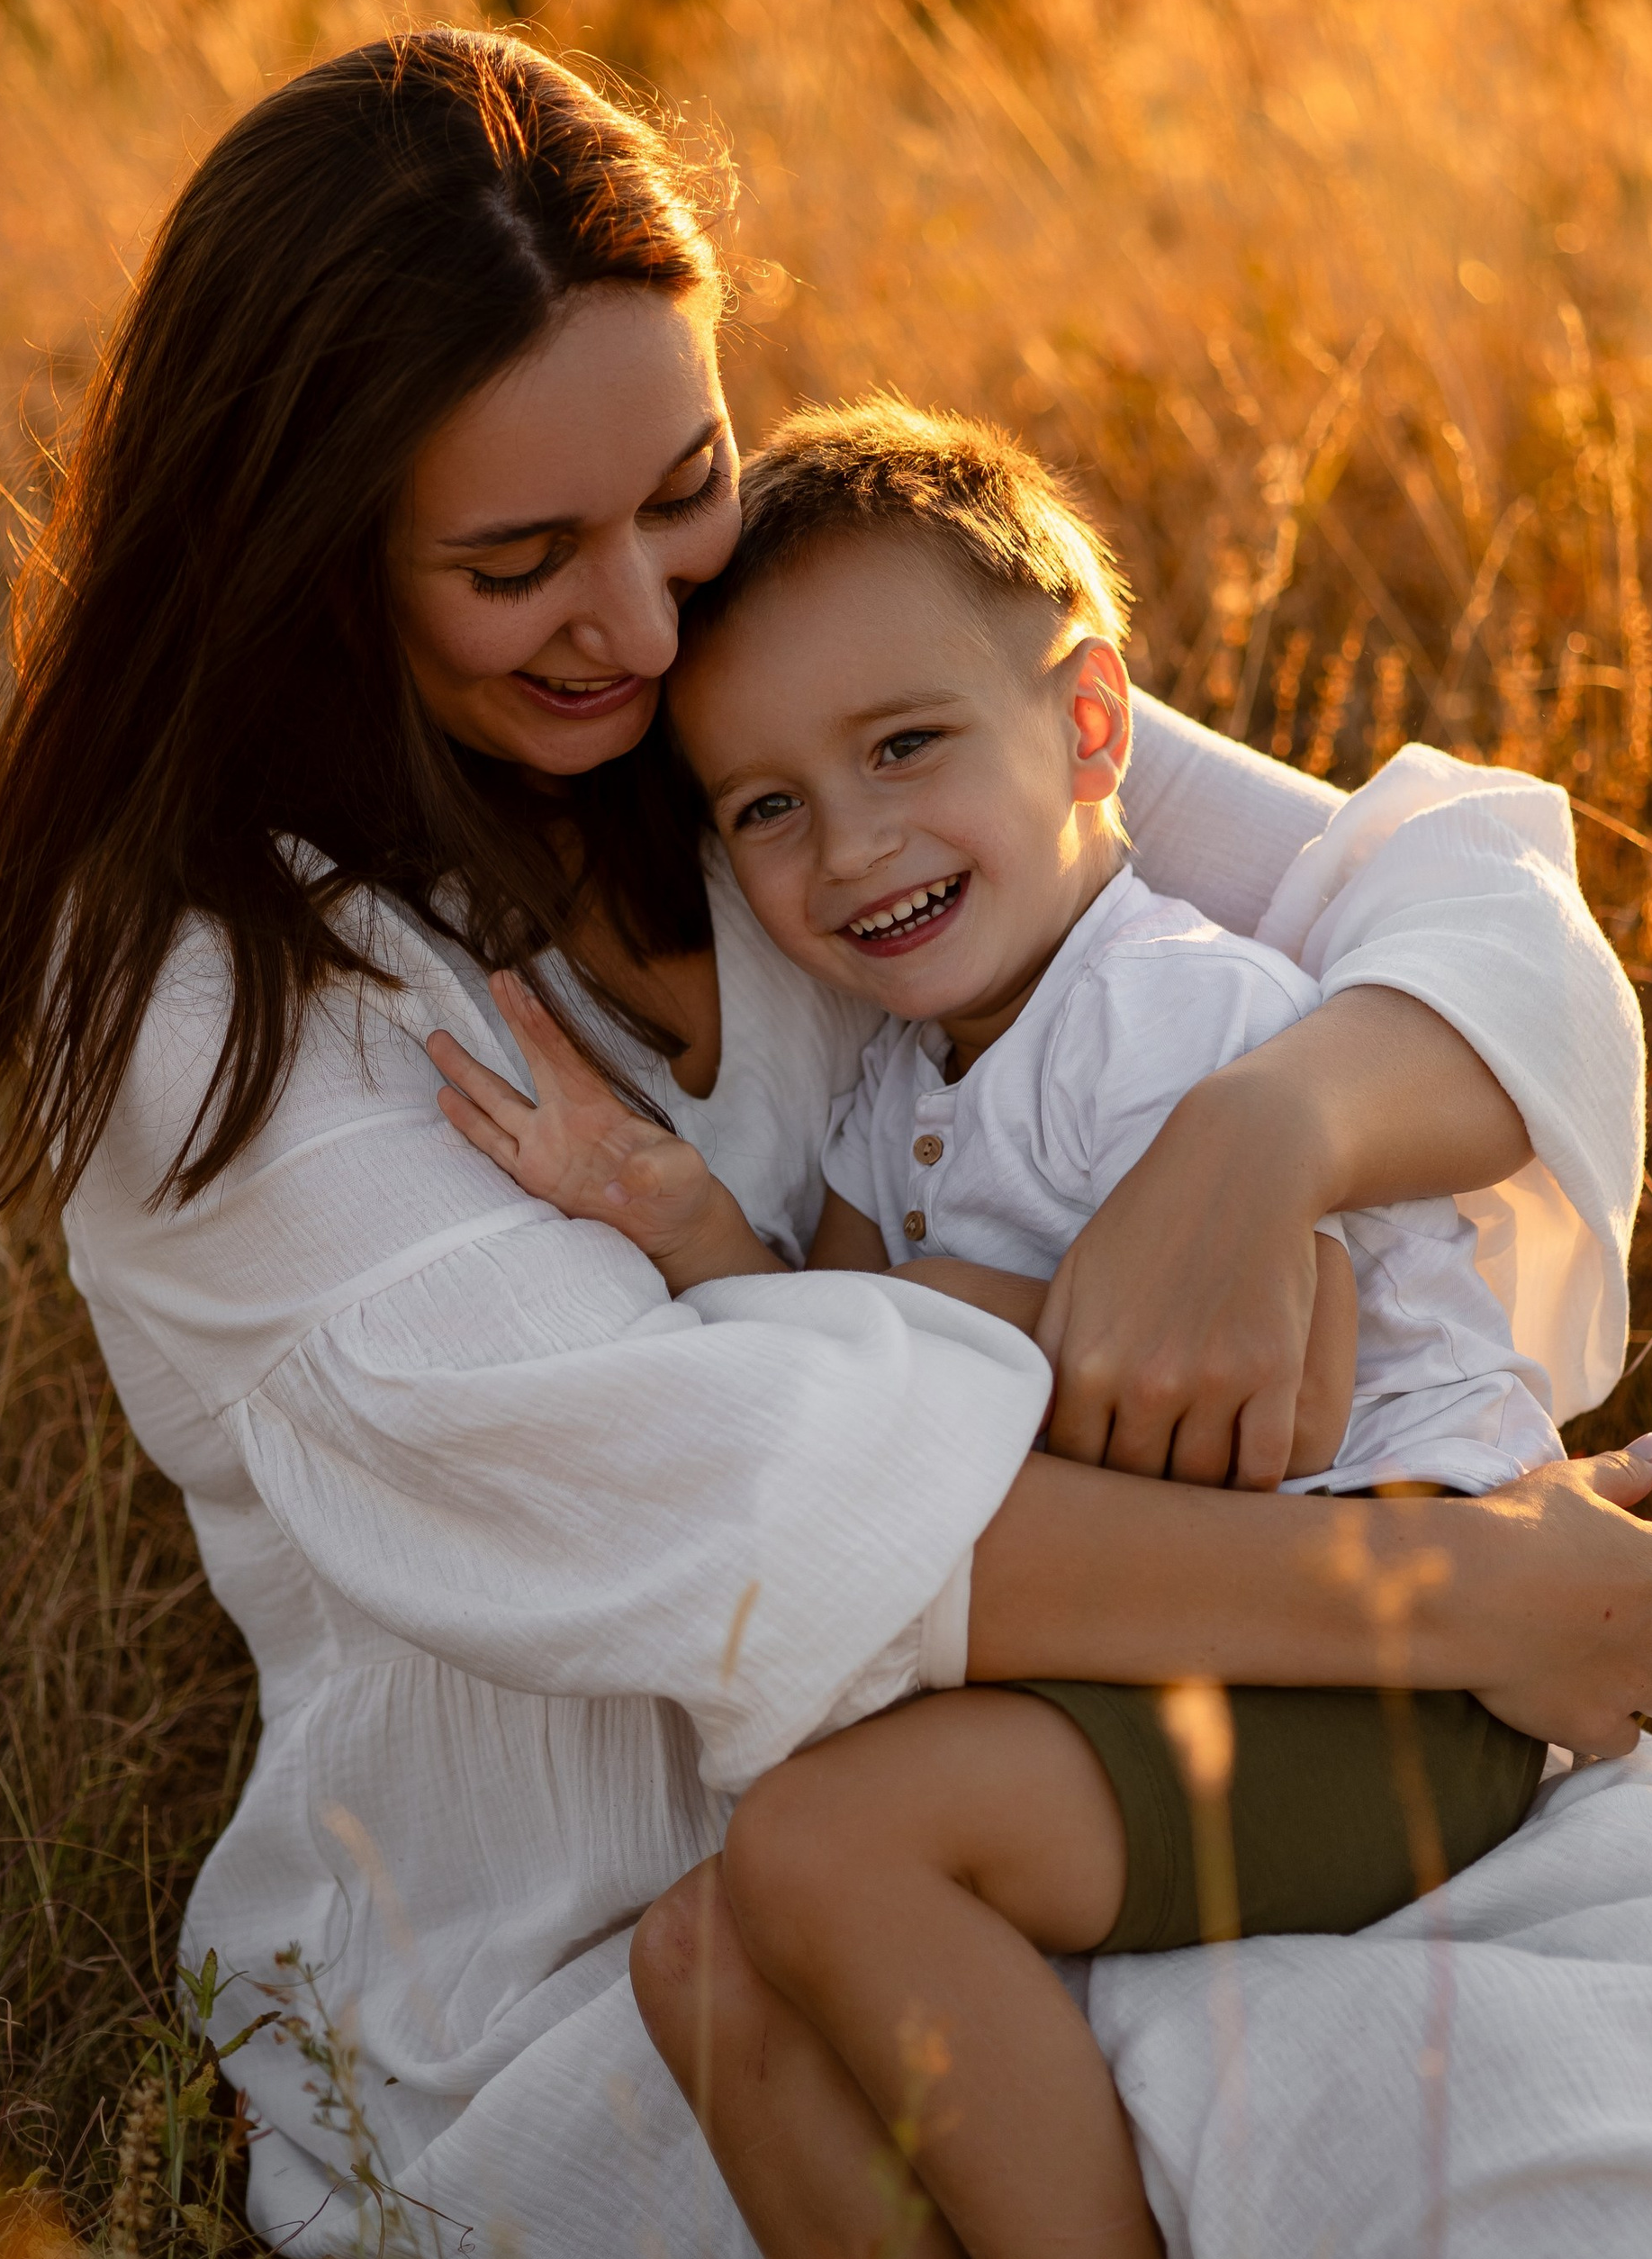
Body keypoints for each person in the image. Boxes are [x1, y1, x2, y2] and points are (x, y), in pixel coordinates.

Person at [0, 28, 1652, 2259]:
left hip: (1164, 1728)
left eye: (676, 483)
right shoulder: (224, 1005)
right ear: (311, 553)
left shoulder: (802, 674)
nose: (642, 614)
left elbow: (1458, 913)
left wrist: (1256, 1139)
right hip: (622, 1951)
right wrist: (1448, 1592)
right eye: (519, 562)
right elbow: (754, 1493)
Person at [429, 396, 1579, 2256]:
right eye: (770, 807)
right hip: (1183, 1643)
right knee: (697, 1955)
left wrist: (935, 1317)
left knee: (821, 1842)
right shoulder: (901, 1081)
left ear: (1089, 725)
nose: (852, 842)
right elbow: (836, 1377)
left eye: (902, 746)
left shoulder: (1172, 1024)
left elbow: (1241, 1410)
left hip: (1393, 1658)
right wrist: (679, 1209)